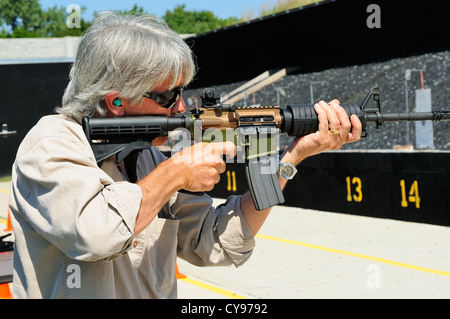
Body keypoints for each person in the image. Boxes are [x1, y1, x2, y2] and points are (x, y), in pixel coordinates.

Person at [8, 12, 362, 299]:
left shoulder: (145, 157)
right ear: (116, 101)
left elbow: (215, 243)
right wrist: (177, 171)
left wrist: (293, 156)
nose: (181, 106)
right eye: (166, 96)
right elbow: (96, 235)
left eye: (182, 91)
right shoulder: (52, 144)